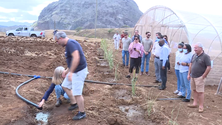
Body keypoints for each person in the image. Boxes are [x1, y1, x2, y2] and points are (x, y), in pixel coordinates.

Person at [55, 31, 88, 120]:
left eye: (57, 41)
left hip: (79, 71)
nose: (57, 43)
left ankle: (82, 112)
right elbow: (72, 60)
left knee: (77, 93)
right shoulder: (68, 45)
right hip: (74, 71)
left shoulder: (71, 44)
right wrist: (66, 71)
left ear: (60, 39)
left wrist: (71, 73)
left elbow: (76, 58)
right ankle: (74, 103)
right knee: (65, 86)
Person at [187, 42, 211, 113]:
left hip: (200, 77)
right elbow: (191, 65)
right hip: (193, 76)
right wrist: (189, 74)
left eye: (196, 48)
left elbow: (209, 67)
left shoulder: (205, 56)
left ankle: (201, 106)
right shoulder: (194, 55)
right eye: (194, 48)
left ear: (201, 48)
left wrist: (204, 75)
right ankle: (194, 103)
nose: (194, 49)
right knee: (194, 90)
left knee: (200, 92)